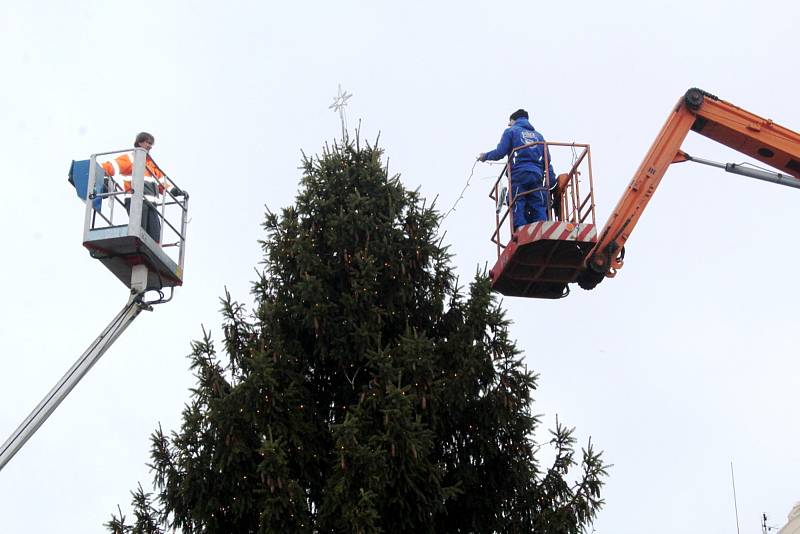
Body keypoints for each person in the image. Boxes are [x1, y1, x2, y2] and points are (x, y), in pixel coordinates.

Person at [479, 109, 556, 230]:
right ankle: (542, 228)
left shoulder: (511, 131)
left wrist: (485, 156)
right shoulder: (539, 136)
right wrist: (551, 181)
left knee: (517, 201)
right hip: (537, 175)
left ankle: (521, 229)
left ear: (514, 120)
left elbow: (500, 152)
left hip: (519, 174)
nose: (508, 124)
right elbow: (547, 160)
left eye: (509, 122)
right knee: (538, 202)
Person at [101, 132, 183, 243]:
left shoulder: (151, 165)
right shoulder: (131, 158)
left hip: (151, 205)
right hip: (136, 200)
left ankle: (151, 254)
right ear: (139, 142)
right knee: (140, 231)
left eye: (151, 144)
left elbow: (162, 182)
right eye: (147, 143)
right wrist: (101, 171)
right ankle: (138, 247)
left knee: (155, 235)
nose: (150, 146)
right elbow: (114, 165)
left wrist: (174, 190)